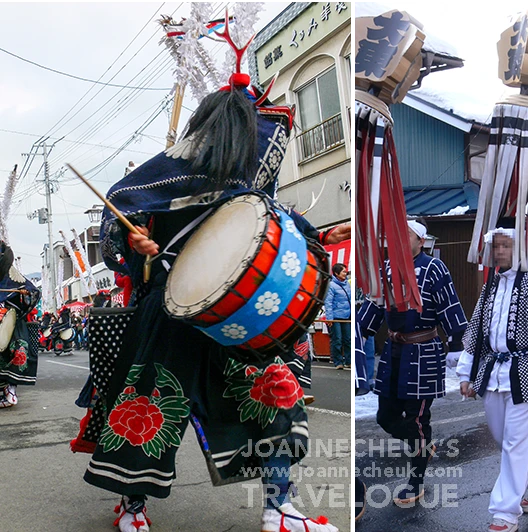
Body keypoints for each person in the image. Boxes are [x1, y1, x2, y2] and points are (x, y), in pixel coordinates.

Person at [73, 38, 348, 532]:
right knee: (154, 406)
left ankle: (279, 507)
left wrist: (322, 235)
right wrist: (135, 241)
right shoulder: (164, 177)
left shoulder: (249, 183)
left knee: (273, 400)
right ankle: (133, 507)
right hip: (171, 310)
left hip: (239, 310)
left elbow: (274, 229)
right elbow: (118, 222)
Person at [456, 217, 528, 532]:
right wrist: (466, 372)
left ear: (520, 247)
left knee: (517, 445)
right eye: (497, 245)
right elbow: (478, 329)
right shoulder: (492, 282)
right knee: (504, 439)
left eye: (507, 245)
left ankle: (505, 513)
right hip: (495, 371)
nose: (501, 251)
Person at [358, 218, 467, 506]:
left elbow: (450, 305)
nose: (400, 238)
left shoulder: (434, 267)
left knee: (417, 419)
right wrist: (359, 330)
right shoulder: (387, 269)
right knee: (385, 416)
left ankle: (415, 480)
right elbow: (372, 308)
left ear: (421, 240)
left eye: (407, 234)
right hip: (393, 352)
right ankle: (423, 447)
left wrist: (457, 344)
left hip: (423, 351)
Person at [0, 241, 41, 408]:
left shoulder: (11, 274)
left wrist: (25, 293)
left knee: (11, 354)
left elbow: (32, 292)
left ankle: (10, 391)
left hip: (11, 322)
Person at [324, 263, 352, 370]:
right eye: (343, 271)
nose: (345, 273)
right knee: (337, 339)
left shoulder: (347, 284)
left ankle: (349, 361)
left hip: (347, 316)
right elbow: (328, 302)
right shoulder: (331, 285)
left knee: (348, 339)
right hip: (335, 317)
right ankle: (338, 362)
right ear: (336, 273)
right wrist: (329, 318)